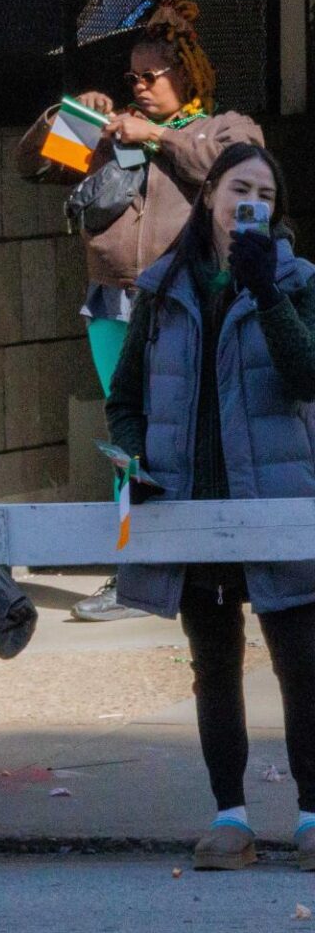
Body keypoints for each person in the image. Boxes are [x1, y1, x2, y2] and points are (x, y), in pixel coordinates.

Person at [106, 143, 315, 874]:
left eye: (265, 193)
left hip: (279, 503)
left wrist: (267, 293)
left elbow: (307, 376)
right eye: (238, 188)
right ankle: (230, 818)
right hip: (191, 508)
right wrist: (133, 457)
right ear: (210, 197)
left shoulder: (298, 281)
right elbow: (124, 398)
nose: (250, 202)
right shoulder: (164, 288)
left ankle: (312, 814)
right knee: (214, 665)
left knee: (302, 664)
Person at [20, 0, 260, 623]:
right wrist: (73, 116)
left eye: (151, 76)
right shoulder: (114, 133)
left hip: (182, 303)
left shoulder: (224, 128)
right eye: (132, 78)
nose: (140, 87)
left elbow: (233, 169)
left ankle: (182, 561)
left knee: (174, 429)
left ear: (187, 76)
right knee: (126, 431)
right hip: (110, 298)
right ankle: (133, 566)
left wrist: (158, 136)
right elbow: (36, 165)